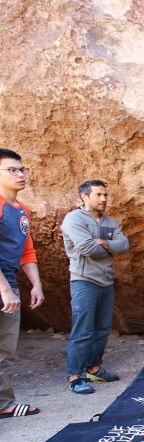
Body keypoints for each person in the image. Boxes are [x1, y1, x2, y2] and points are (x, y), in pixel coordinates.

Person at [61, 180, 129, 394]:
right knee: (82, 330)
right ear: (84, 197)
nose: (103, 199)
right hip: (84, 281)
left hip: (106, 281)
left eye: (105, 195)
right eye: (98, 195)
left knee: (101, 329)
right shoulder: (73, 220)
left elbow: (124, 245)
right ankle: (75, 376)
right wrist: (104, 246)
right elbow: (88, 249)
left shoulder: (109, 221)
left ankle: (93, 368)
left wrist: (105, 243)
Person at [0, 148, 44, 419]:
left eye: (22, 169)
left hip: (9, 280)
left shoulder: (21, 210)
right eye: (12, 170)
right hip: (3, 284)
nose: (20, 174)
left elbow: (27, 250)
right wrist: (4, 289)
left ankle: (3, 403)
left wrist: (35, 284)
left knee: (5, 348)